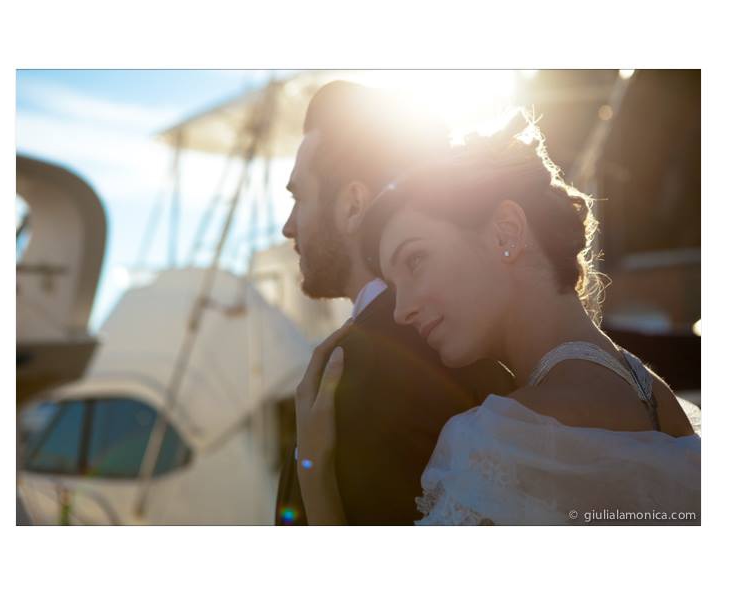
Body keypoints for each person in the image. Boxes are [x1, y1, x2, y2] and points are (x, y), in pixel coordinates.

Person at [294, 112, 700, 525]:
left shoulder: (500, 441)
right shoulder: (659, 403)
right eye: (395, 288)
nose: (401, 311)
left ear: (506, 232)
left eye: (415, 261)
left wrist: (313, 472)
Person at [276, 81, 515, 525]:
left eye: (298, 198)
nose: (288, 227)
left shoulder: (361, 367)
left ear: (353, 206)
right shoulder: (474, 345)